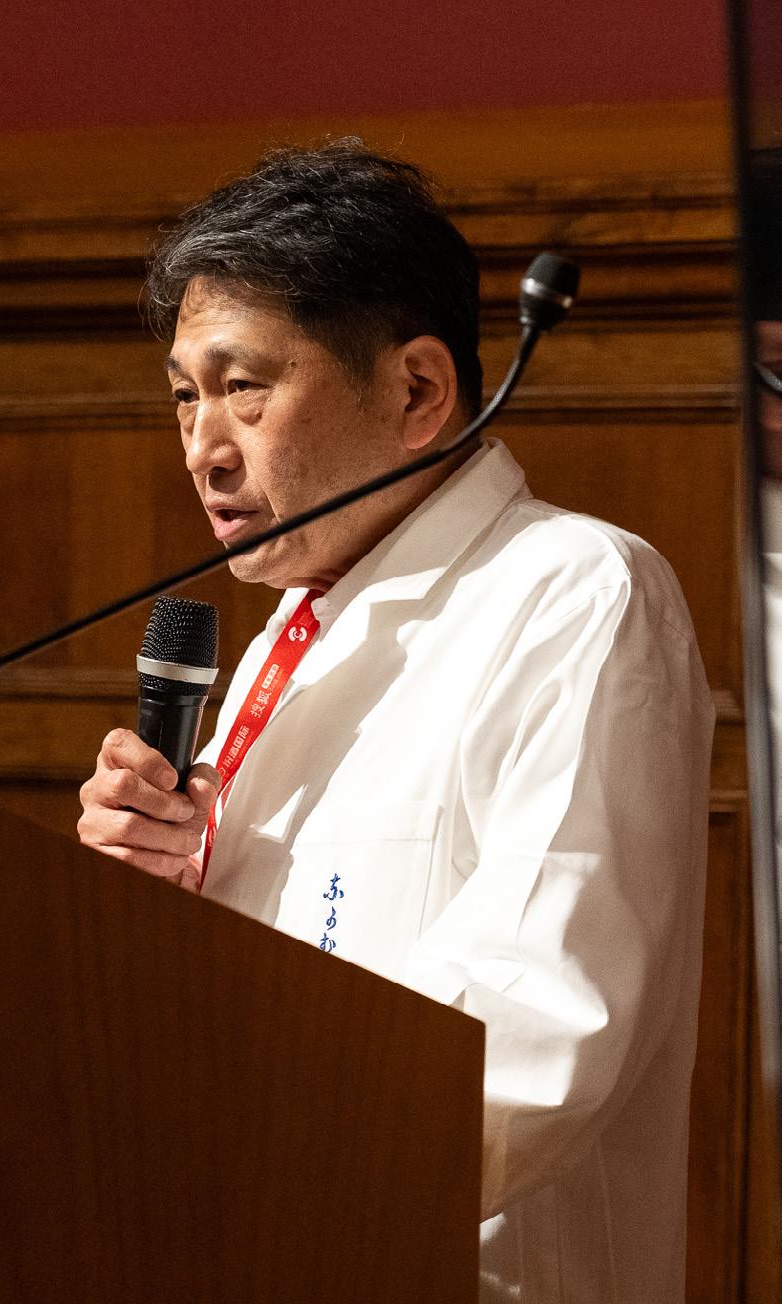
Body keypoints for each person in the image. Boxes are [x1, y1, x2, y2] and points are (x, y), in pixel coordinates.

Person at [78, 142, 714, 1304]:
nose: (203, 447)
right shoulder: (293, 627)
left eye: (242, 385)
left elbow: (536, 1035)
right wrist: (150, 897)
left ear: (417, 390)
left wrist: (224, 1169)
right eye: (183, 394)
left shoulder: (576, 592)